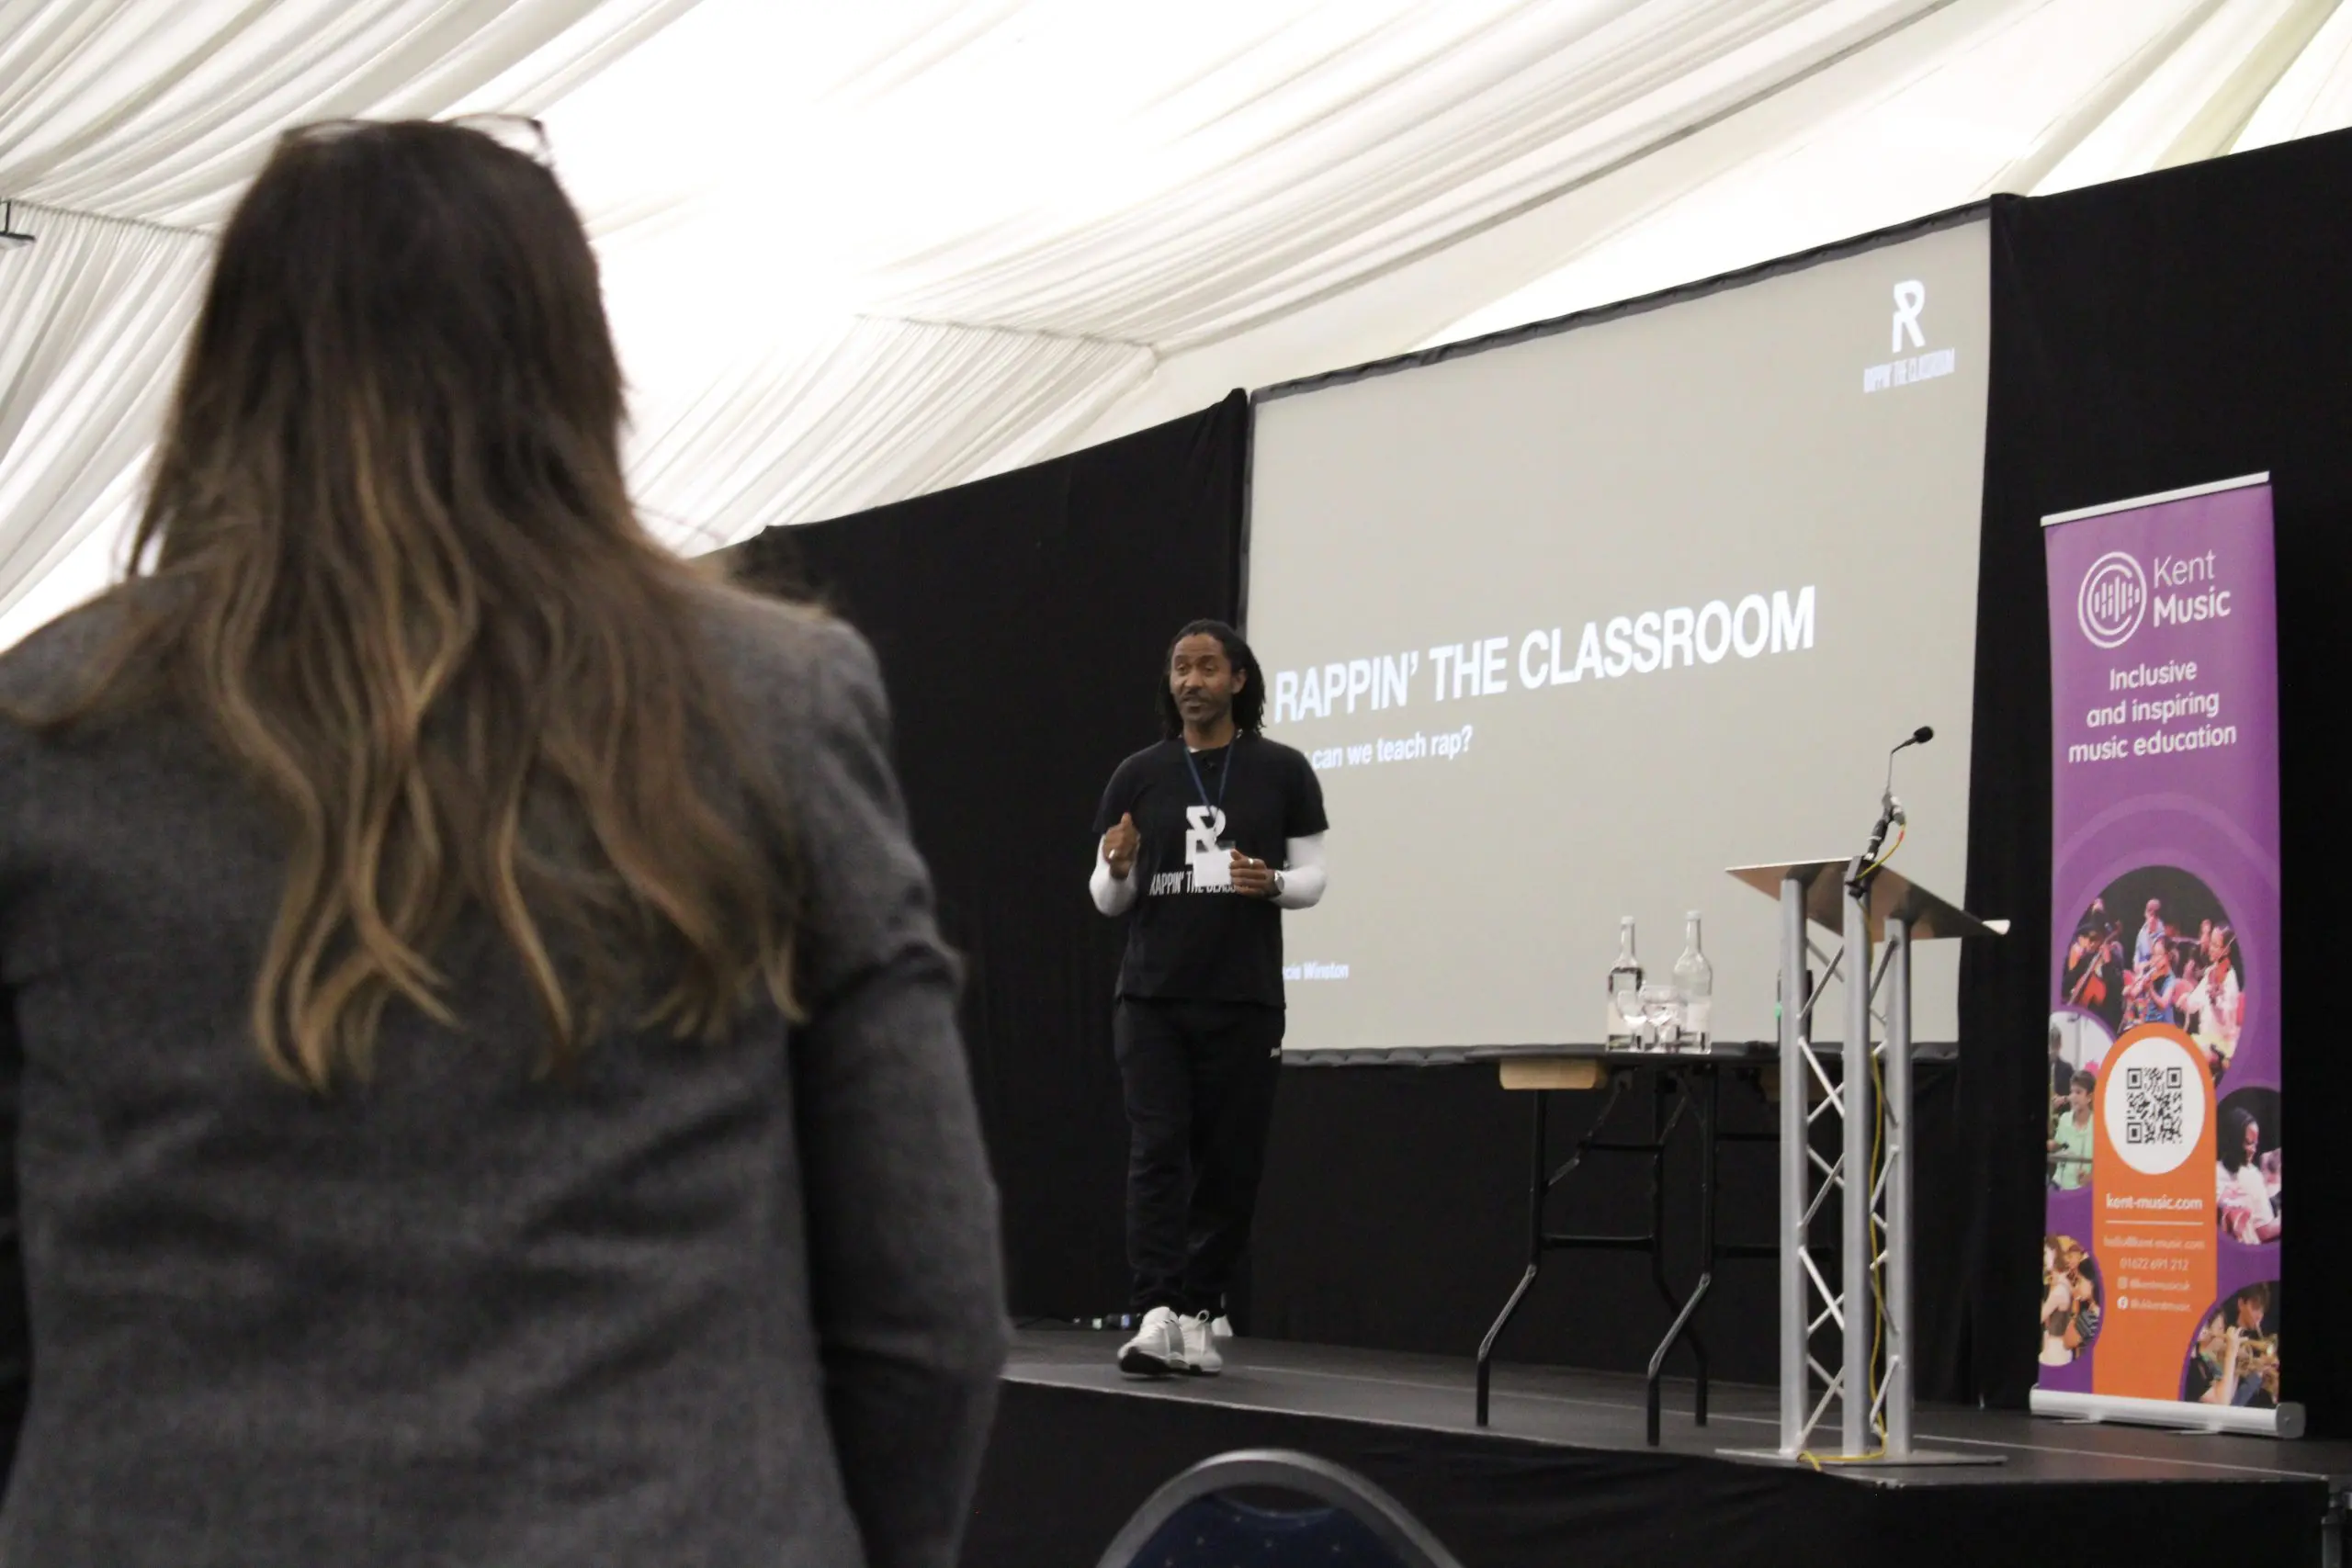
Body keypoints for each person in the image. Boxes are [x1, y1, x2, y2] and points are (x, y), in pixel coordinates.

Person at [0, 118, 1005, 1566]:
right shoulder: (770, 703)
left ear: (226, 378)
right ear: (573, 365)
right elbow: (926, 1308)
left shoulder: (46, 732)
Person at [1089, 620, 1328, 1378]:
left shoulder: (1284, 770)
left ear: (1238, 680)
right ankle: (1155, 1308)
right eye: (1180, 669)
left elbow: (1314, 875)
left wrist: (1276, 884)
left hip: (1243, 998)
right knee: (1156, 1149)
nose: (1190, 681)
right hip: (1153, 995)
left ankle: (1199, 1309)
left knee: (1230, 1162)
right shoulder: (1138, 774)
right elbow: (1107, 900)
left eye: (1206, 668)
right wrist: (1116, 867)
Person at [2216, 1107, 2281, 1244]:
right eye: (2248, 1143)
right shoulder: (2211, 1174)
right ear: (2232, 1140)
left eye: (2255, 1144)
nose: (2253, 1149)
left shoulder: (2253, 1175)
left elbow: (2264, 1230)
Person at [2048, 1071, 2096, 1190]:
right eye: (2072, 1092)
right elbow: (2059, 1147)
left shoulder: (2098, 1125)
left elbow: (2105, 1163)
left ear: (2089, 1097)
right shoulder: (2064, 1119)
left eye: (2078, 1092)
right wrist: (2053, 1146)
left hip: (2084, 1189)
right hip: (2059, 1184)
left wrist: (2091, 1177)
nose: (2073, 1096)